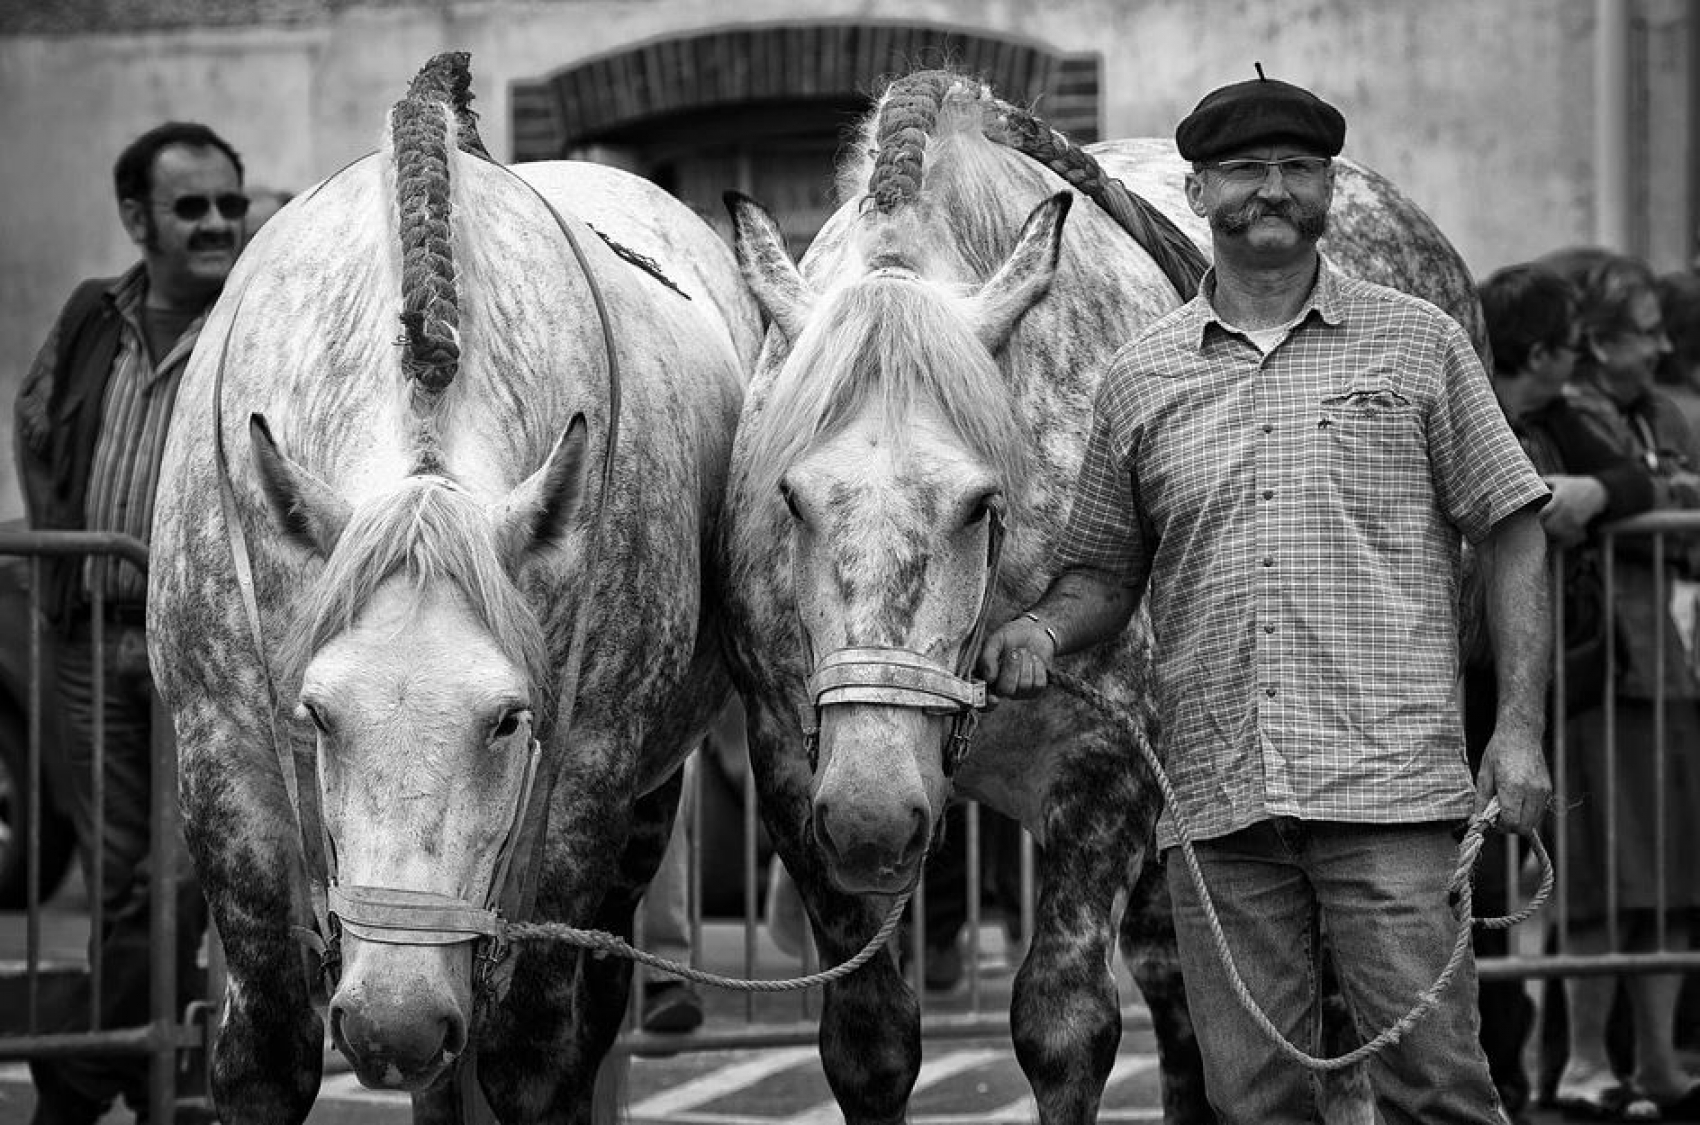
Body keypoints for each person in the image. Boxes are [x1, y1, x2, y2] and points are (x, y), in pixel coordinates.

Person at [978, 71, 1553, 1124]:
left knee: (1438, 1092)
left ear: (1328, 186)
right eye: (1243, 170)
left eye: (1296, 168)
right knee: (1252, 1103)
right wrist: (1034, 628)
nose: (1271, 190)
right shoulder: (1140, 378)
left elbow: (1511, 529)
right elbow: (1104, 576)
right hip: (1217, 808)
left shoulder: (1416, 342)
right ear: (1195, 193)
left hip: (1390, 797)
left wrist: (1516, 732)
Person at [13, 121, 247, 1125]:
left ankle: (87, 1076)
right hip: (88, 636)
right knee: (118, 882)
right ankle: (162, 1076)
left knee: (180, 874)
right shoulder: (90, 316)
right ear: (136, 219)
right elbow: (35, 425)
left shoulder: (253, 320)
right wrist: (68, 558)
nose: (217, 224)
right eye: (191, 207)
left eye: (229, 206)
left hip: (199, 645)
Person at [1471, 262, 1659, 1121]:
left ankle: (1505, 1071)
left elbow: (1635, 481)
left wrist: (1591, 489)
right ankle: (1489, 1066)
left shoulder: (1553, 421)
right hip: (1454, 678)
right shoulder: (1468, 407)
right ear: (1540, 351)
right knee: (1461, 890)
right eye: (1568, 345)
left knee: (1506, 882)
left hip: (1525, 677)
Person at [1533, 246, 1700, 1122]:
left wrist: (1639, 493)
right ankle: (1584, 1062)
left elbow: (1668, 500)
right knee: (1600, 880)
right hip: (1598, 675)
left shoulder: (1660, 411)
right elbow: (1642, 501)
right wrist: (1642, 494)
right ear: (1595, 343)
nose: (1662, 345)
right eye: (1643, 333)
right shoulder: (1571, 414)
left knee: (1673, 880)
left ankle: (1664, 1064)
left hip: (1670, 673)